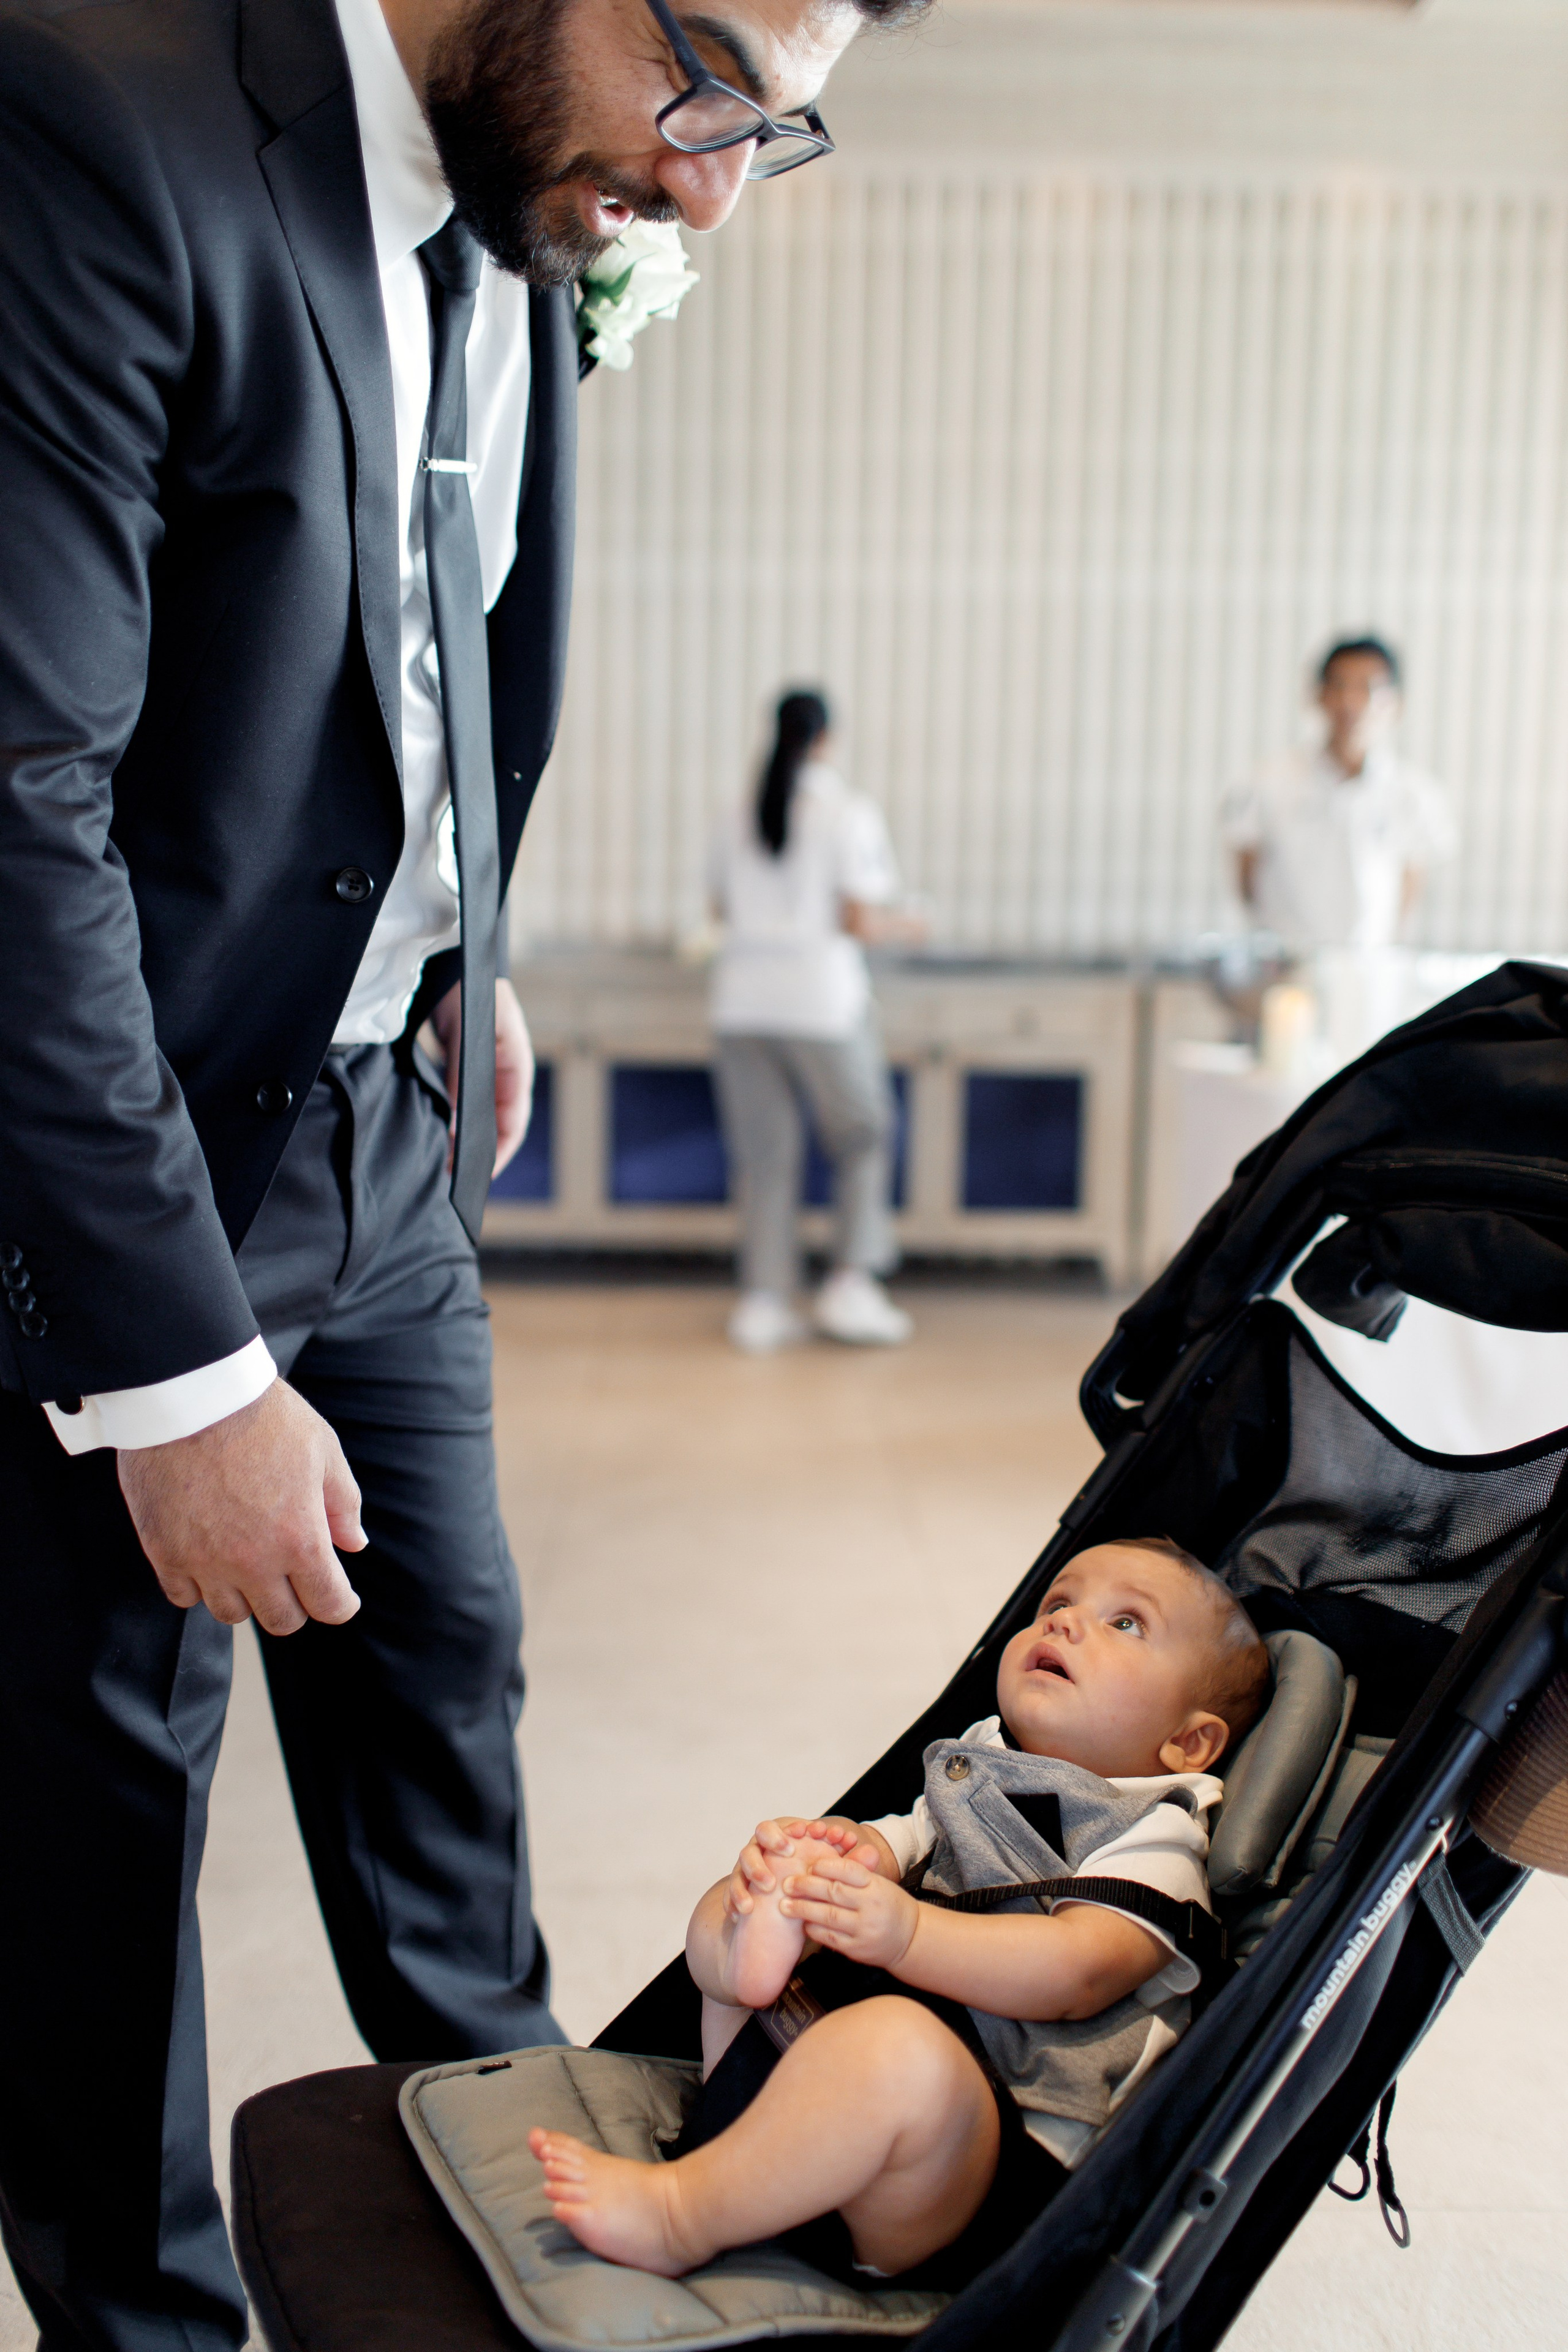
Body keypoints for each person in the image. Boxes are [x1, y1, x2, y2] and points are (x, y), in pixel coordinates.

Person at [0, 0, 924, 2335]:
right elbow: (19, 813)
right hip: (128, 1180)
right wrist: (182, 1379)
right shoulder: (96, 123)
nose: (712, 183)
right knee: (104, 1843)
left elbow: (416, 648)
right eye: (708, 80)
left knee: (447, 1732)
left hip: (385, 1136)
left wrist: (450, 940)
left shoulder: (528, 194)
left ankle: (542, 2286)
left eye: (776, 131)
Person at [529, 1539, 1269, 2286]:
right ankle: (750, 1999)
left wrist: (908, 1933)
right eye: (1057, 1603)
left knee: (898, 2049)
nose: (1066, 1623)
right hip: (814, 2077)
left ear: (1187, 1742)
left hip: (966, 2165)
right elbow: (896, 1844)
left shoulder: (1154, 1832)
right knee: (739, 1897)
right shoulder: (979, 1762)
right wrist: (823, 1857)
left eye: (1126, 1624)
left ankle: (678, 2215)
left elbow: (1079, 1969)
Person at [709, 690, 922, 1354]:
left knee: (766, 1154)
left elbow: (718, 908)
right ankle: (850, 1284)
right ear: (826, 739)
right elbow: (856, 921)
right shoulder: (846, 811)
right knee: (863, 1132)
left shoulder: (735, 810)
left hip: (741, 1002)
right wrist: (911, 924)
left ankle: (763, 1300)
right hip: (820, 1004)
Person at [1223, 635, 1456, 954]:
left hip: (1371, 967)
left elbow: (1409, 887)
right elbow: (1247, 878)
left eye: (1368, 688)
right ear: (1318, 695)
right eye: (1339, 686)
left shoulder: (1414, 794)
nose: (1350, 701)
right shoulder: (1265, 783)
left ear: (1396, 702)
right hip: (1285, 966)